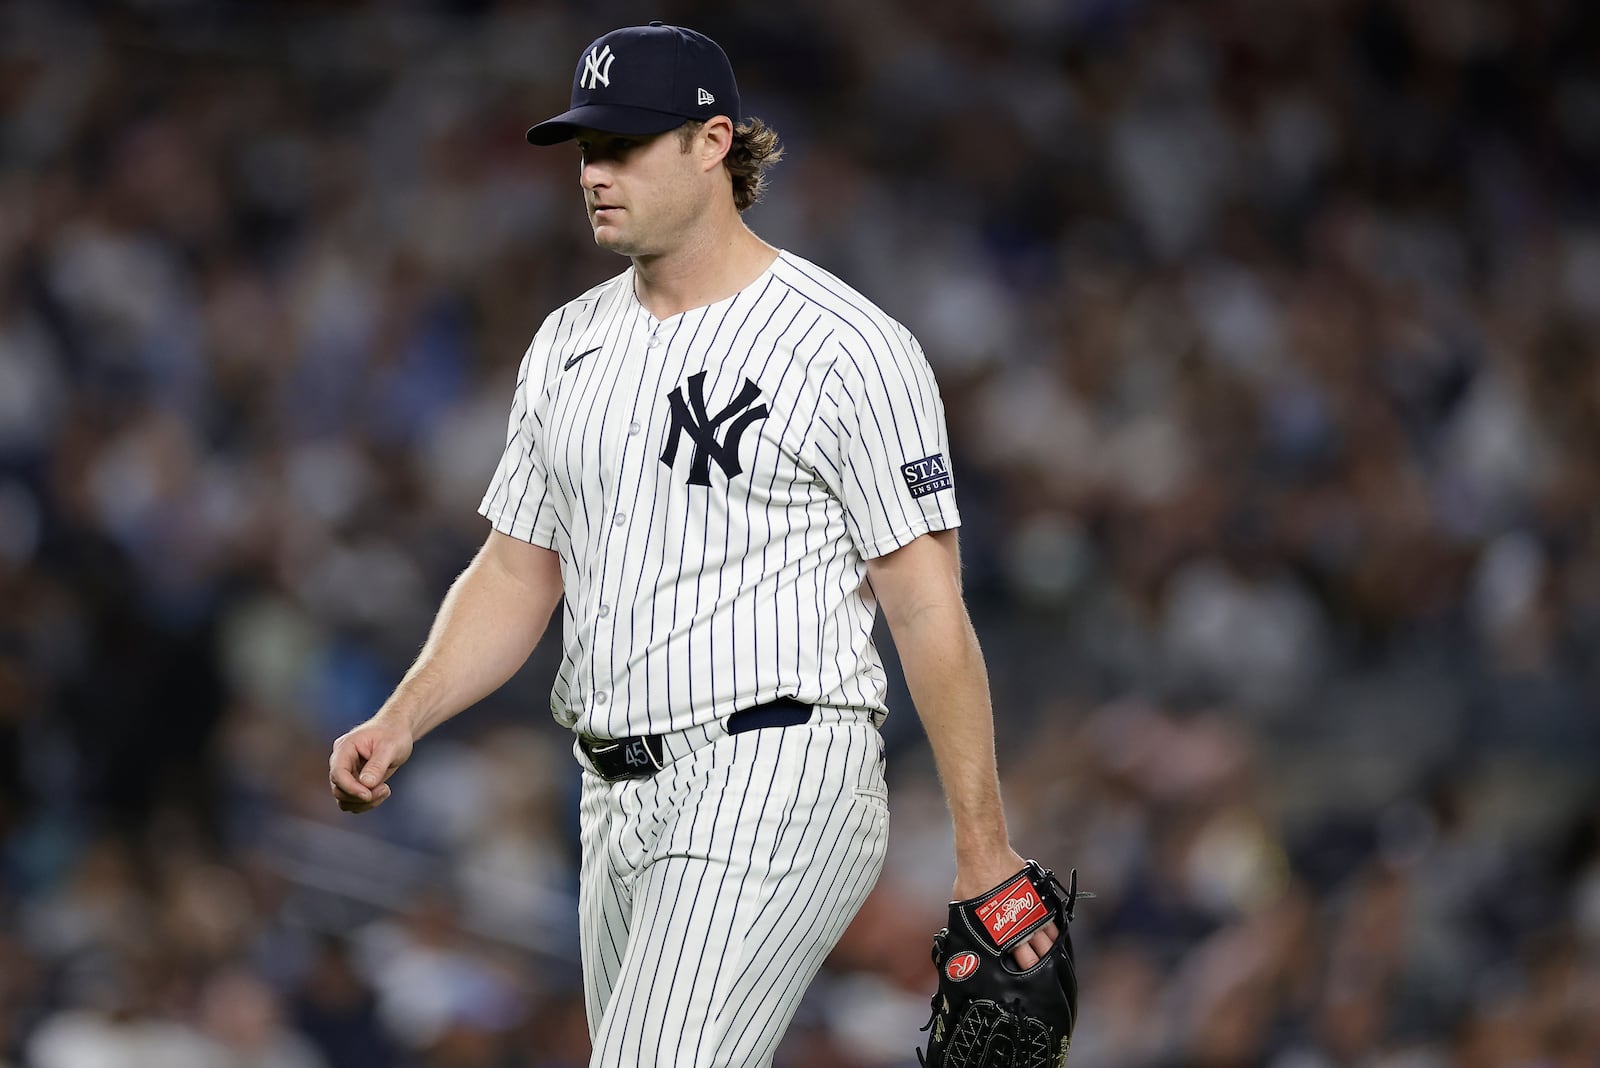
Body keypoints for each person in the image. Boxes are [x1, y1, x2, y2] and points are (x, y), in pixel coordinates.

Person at [328, 22, 1056, 1066]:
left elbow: (926, 603)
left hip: (775, 766)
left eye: (625, 146)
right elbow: (516, 569)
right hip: (612, 797)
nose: (596, 173)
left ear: (713, 144)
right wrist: (404, 715)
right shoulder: (567, 344)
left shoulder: (845, 347)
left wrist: (981, 845)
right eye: (587, 150)